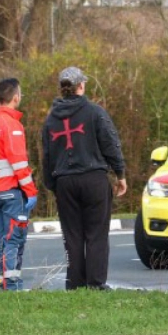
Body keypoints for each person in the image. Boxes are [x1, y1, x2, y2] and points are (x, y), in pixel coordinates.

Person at [40, 66, 128, 291]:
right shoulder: (94, 112)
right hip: (93, 179)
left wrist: (53, 184)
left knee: (73, 235)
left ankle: (75, 283)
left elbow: (47, 155)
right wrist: (120, 174)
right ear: (81, 86)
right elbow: (110, 143)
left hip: (65, 182)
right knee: (96, 233)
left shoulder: (51, 120)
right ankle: (96, 283)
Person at [0, 78, 37, 290]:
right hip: (11, 192)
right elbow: (19, 162)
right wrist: (30, 191)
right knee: (13, 239)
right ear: (15, 97)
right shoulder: (12, 125)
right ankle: (11, 285)